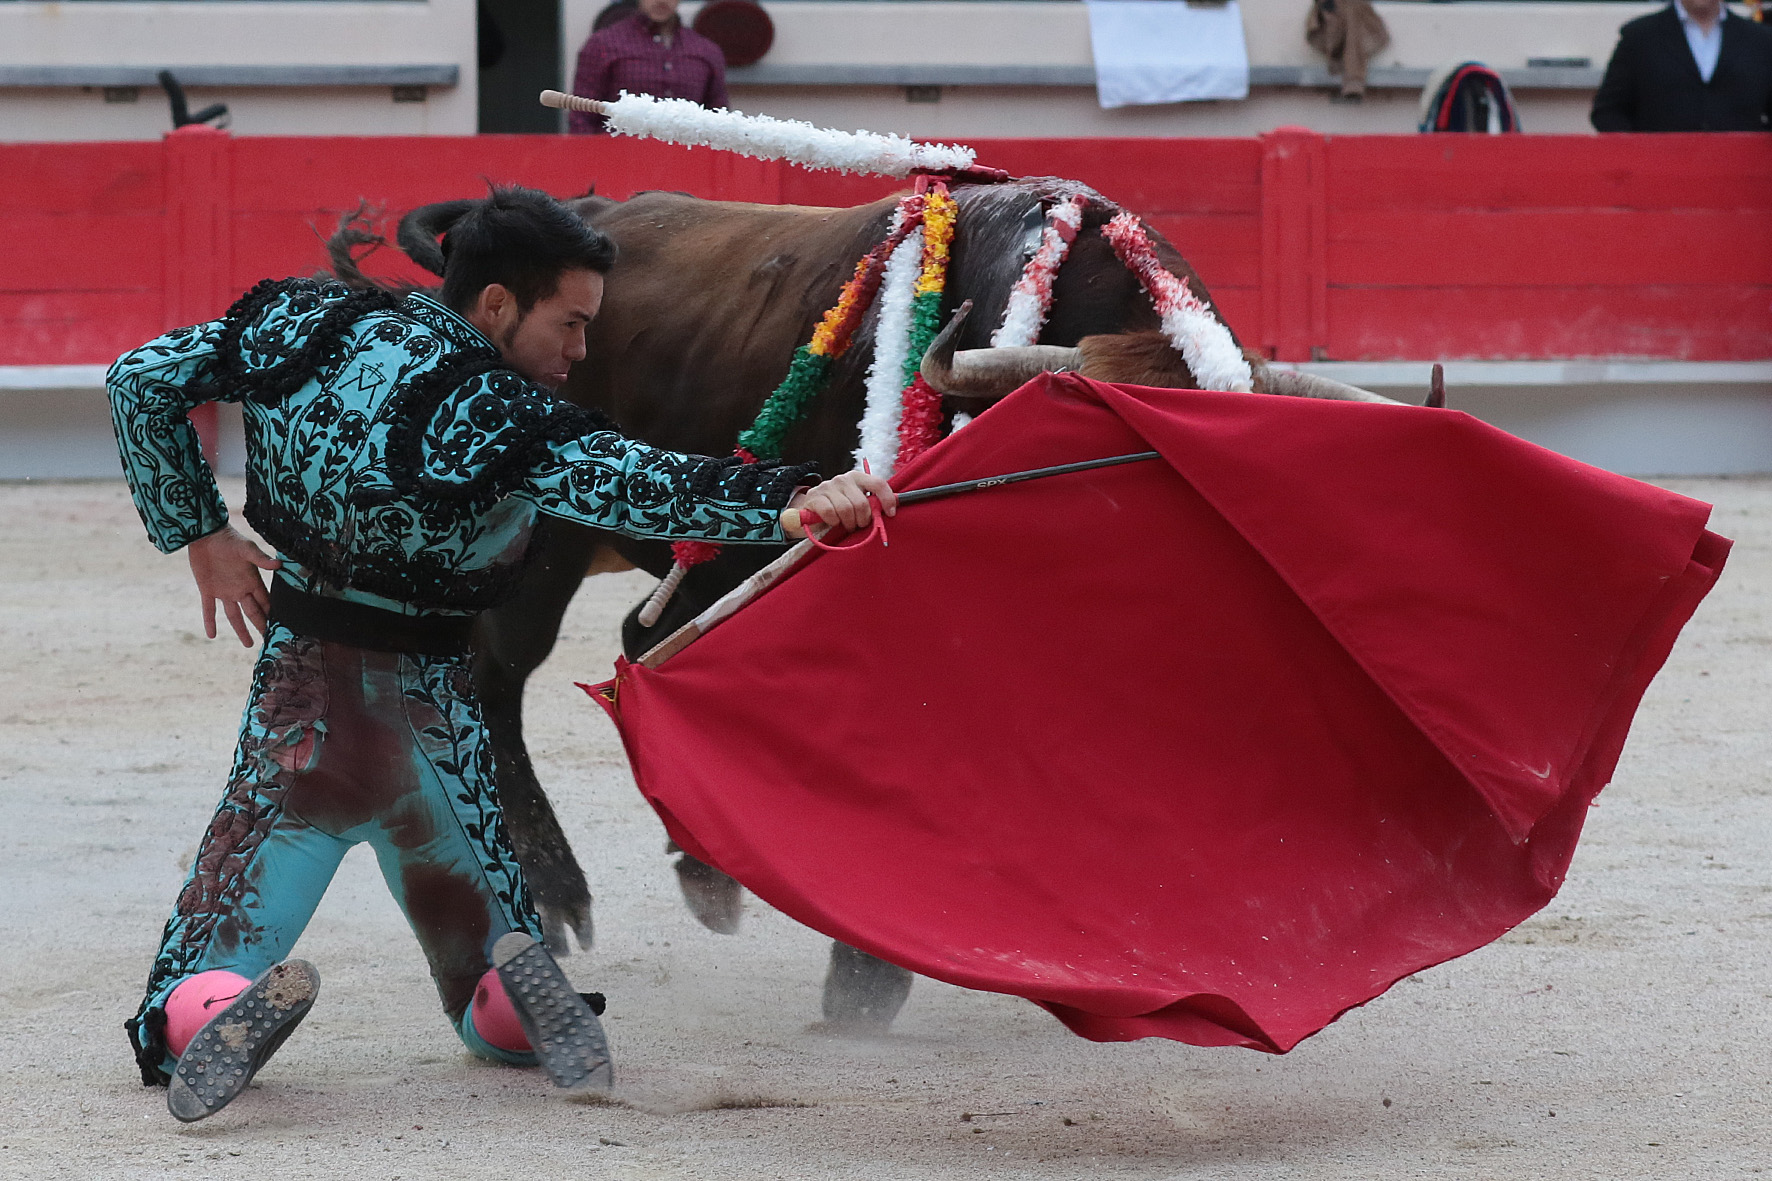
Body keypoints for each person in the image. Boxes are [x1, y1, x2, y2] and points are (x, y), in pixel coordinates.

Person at [109, 184, 892, 1122]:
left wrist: (200, 531)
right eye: (569, 323)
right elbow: (641, 487)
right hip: (437, 737)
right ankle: (512, 1010)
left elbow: (138, 379)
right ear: (494, 305)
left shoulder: (305, 320)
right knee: (488, 952)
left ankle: (211, 1014)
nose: (580, 350)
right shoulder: (502, 415)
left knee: (210, 950)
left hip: (299, 714)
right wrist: (801, 499)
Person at [1591, 0, 1772, 131]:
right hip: (1660, 174)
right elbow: (1608, 111)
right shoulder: (1640, 36)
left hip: (1741, 174)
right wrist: (1639, 153)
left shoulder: (1760, 39)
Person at [568, 0, 729, 134]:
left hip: (687, 160)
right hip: (619, 160)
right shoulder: (603, 44)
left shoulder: (706, 50)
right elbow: (581, 118)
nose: (661, 1)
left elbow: (719, 121)